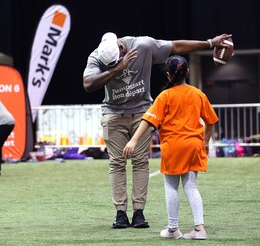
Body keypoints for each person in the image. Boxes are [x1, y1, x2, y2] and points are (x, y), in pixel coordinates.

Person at [83, 32, 231, 229]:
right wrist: (117, 68)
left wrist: (210, 43)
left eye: (114, 63)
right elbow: (88, 84)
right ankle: (120, 213)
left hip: (142, 112)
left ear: (120, 48)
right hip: (113, 114)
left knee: (140, 163)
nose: (110, 67)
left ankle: (138, 213)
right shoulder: (98, 55)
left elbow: (175, 46)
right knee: (117, 164)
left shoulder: (143, 46)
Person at [123, 55, 218, 239]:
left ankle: (173, 229)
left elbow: (149, 121)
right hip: (193, 145)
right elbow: (211, 121)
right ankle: (199, 229)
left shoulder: (165, 96)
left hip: (173, 146)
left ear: (168, 75)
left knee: (171, 186)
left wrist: (133, 140)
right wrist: (205, 143)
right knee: (191, 187)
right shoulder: (198, 94)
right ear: (187, 72)